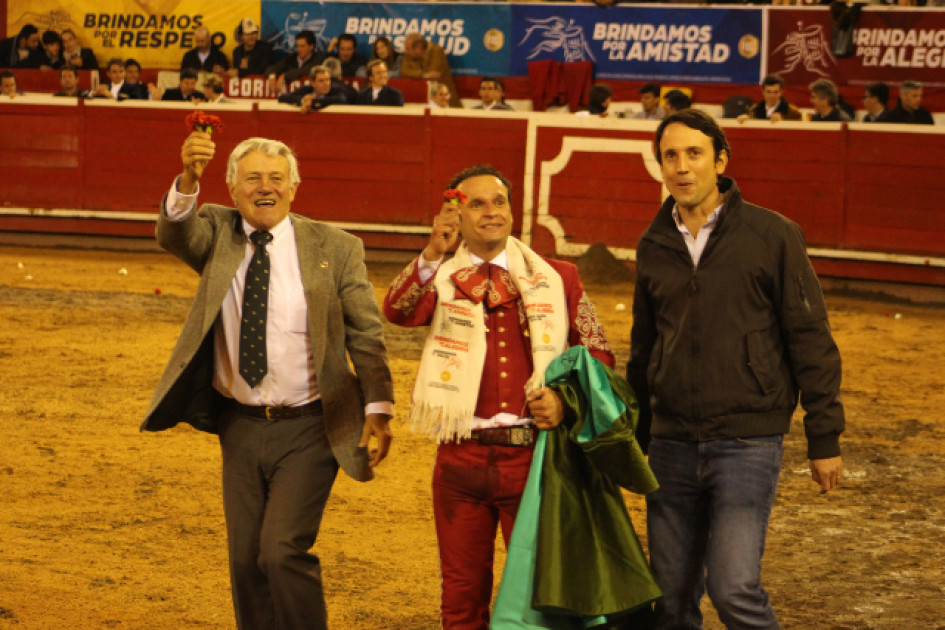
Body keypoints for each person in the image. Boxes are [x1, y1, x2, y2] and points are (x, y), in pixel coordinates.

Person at [142, 133, 395, 630]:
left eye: (276, 178)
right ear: (232, 189)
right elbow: (176, 233)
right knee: (244, 562)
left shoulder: (336, 247)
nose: (266, 188)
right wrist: (189, 178)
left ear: (294, 188)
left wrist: (378, 409)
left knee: (280, 551)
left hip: (311, 425)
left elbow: (366, 333)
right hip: (239, 424)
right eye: (252, 178)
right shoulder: (217, 232)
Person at [627, 109, 845, 629]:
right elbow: (644, 347)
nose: (682, 166)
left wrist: (824, 437)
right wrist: (636, 440)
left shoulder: (772, 235)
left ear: (720, 161)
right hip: (671, 442)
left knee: (733, 590)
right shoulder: (653, 244)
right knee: (672, 601)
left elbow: (809, 336)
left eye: (694, 153)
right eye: (670, 156)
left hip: (747, 441)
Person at [383, 164, 614, 629]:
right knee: (461, 594)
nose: (491, 212)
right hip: (459, 459)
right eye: (477, 203)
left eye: (499, 201)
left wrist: (566, 402)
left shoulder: (559, 276)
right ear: (457, 214)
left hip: (535, 461)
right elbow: (397, 310)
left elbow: (600, 356)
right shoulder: (441, 274)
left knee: (538, 593)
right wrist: (431, 252)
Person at [401, 33, 461, 108]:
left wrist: (417, 73)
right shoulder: (409, 56)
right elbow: (404, 72)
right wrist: (422, 75)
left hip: (446, 102)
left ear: (418, 48)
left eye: (408, 49)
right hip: (425, 102)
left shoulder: (436, 51)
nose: (406, 52)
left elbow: (433, 76)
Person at [265, 30, 323, 95]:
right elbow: (273, 68)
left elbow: (306, 70)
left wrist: (285, 76)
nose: (298, 49)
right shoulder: (291, 58)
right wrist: (272, 76)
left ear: (311, 46)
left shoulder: (318, 58)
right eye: (297, 46)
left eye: (302, 46)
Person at [278, 65, 346, 111]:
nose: (326, 83)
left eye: (328, 79)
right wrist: (303, 100)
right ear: (313, 83)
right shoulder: (307, 89)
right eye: (321, 81)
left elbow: (341, 99)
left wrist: (313, 102)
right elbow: (282, 97)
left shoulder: (335, 89)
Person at [737, 74, 802, 123]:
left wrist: (782, 121)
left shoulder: (794, 113)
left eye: (775, 92)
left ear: (781, 92)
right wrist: (746, 120)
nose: (772, 96)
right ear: (763, 92)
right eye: (768, 92)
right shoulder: (754, 111)